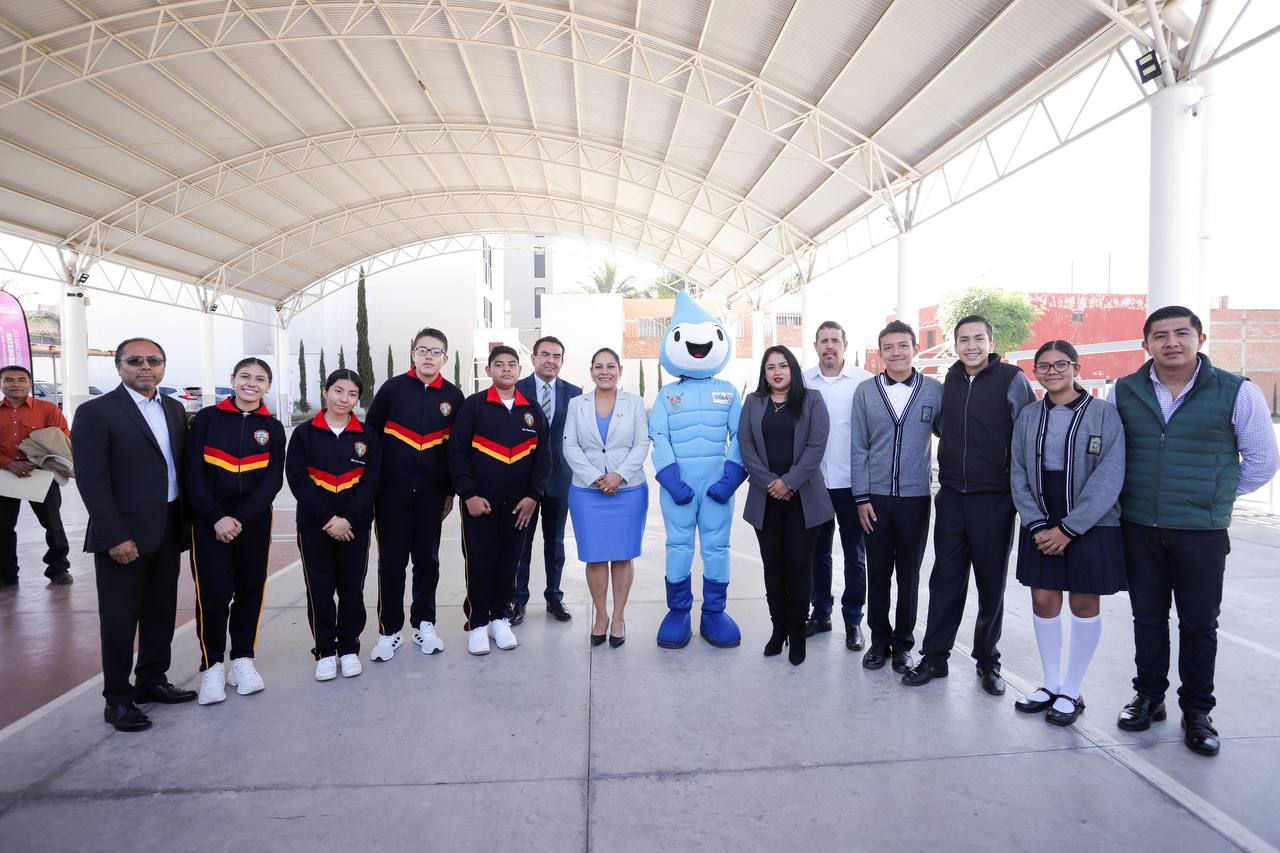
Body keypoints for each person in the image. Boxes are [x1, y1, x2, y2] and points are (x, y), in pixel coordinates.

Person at [1111, 306, 1279, 756]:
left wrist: (1215, 498)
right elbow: (1109, 456)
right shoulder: (1122, 392)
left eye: (1181, 333)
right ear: (1145, 343)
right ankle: (1148, 697)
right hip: (1139, 527)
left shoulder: (1237, 391)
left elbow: (1263, 460)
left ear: (1200, 339)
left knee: (1199, 624)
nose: (1171, 342)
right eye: (1159, 335)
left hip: (1200, 533)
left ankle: (1198, 710)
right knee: (1147, 618)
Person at [903, 315, 1035, 694]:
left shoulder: (1012, 380)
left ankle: (987, 660)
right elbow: (943, 428)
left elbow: (1025, 434)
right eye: (963, 339)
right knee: (945, 580)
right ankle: (935, 657)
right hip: (951, 498)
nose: (971, 346)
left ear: (991, 342)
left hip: (994, 500)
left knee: (990, 584)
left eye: (978, 338)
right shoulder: (950, 382)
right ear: (955, 345)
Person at [72, 338, 195, 732]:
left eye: (154, 360)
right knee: (120, 620)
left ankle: (151, 681)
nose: (145, 367)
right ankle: (118, 699)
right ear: (119, 366)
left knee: (161, 613)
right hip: (124, 536)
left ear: (163, 365)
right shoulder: (96, 412)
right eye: (135, 360)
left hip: (168, 529)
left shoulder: (174, 408)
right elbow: (92, 480)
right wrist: (114, 536)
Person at [1011, 341, 1127, 726]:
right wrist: (1040, 524)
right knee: (1044, 600)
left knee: (1082, 602)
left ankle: (1071, 690)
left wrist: (1071, 528)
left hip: (1090, 523)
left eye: (1061, 365)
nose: (1053, 372)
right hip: (1042, 521)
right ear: (1036, 373)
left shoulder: (1104, 414)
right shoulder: (1028, 416)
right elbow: (1018, 474)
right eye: (1044, 367)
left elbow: (1109, 477)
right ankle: (1050, 683)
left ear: (1076, 367)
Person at [184, 358, 286, 705]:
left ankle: (242, 659)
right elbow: (192, 474)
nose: (251, 383)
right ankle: (211, 666)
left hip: (252, 521)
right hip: (209, 522)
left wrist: (241, 517)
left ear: (268, 386)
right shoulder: (207, 420)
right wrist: (216, 516)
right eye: (245, 377)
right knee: (212, 595)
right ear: (232, 380)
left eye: (260, 379)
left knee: (249, 591)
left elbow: (273, 480)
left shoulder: (272, 428)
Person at [363, 327, 465, 661]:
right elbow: (371, 440)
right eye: (422, 350)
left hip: (431, 495)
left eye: (436, 351)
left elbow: (456, 450)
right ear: (412, 354)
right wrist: (374, 486)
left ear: (445, 358)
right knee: (391, 563)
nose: (428, 356)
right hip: (390, 493)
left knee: (427, 561)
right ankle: (389, 631)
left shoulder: (453, 396)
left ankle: (424, 624)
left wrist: (450, 491)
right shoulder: (392, 389)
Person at [851, 322, 943, 675]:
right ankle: (878, 641)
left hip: (916, 498)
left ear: (915, 348)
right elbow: (857, 446)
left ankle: (903, 644)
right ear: (880, 352)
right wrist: (860, 497)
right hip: (873, 499)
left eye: (903, 346)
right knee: (878, 573)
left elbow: (951, 433)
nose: (896, 353)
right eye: (888, 347)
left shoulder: (935, 391)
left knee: (909, 575)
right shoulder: (865, 392)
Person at [449, 347, 551, 655]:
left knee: (510, 562)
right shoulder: (474, 406)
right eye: (498, 364)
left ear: (520, 371)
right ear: (489, 370)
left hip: (519, 507)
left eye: (511, 364)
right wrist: (468, 494)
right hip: (480, 504)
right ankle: (478, 623)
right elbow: (456, 453)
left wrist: (533, 496)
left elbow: (543, 459)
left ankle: (499, 618)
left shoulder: (531, 409)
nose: (505, 369)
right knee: (480, 563)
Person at [738, 346, 833, 666]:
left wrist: (789, 482)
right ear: (764, 373)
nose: (777, 372)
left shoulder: (812, 400)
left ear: (793, 368)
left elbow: (816, 446)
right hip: (765, 499)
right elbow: (746, 446)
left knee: (798, 566)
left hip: (803, 500)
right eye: (770, 367)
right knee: (772, 566)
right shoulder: (753, 403)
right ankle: (778, 630)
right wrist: (771, 482)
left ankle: (797, 631)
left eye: (783, 365)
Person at [285, 369, 381, 682]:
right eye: (338, 391)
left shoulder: (366, 436)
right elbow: (299, 481)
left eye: (352, 394)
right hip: (316, 526)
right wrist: (329, 520)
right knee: (320, 589)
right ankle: (325, 650)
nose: (344, 399)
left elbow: (370, 483)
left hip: (355, 527)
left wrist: (349, 519)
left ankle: (350, 647)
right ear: (325, 392)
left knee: (352, 588)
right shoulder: (304, 434)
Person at [562, 347, 649, 648]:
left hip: (628, 489)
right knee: (595, 555)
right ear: (590, 372)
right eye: (598, 366)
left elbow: (641, 445)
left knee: (623, 554)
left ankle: (620, 616)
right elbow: (570, 446)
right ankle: (601, 615)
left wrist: (618, 475)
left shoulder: (635, 403)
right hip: (588, 491)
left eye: (610, 366)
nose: (604, 371)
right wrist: (596, 478)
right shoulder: (577, 404)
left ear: (620, 370)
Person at [801, 321, 871, 648]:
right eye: (823, 341)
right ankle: (821, 613)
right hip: (815, 484)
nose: (829, 346)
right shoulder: (803, 382)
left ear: (845, 344)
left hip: (853, 485)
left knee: (855, 556)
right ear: (816, 346)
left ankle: (854, 620)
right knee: (818, 554)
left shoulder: (863, 383)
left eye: (835, 341)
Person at [512, 336, 582, 624]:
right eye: (545, 355)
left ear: (562, 361)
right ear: (534, 358)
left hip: (559, 480)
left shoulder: (575, 393)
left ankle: (554, 596)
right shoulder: (517, 388)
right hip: (522, 481)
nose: (550, 360)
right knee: (521, 543)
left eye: (556, 356)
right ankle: (517, 599)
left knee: (555, 542)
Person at [0, 364, 72, 587]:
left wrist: (36, 459)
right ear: (1, 384)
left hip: (41, 474)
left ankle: (58, 569)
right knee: (2, 528)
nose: (15, 384)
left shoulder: (48, 409)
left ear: (30, 384)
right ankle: (6, 574)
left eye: (21, 380)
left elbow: (62, 439)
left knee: (53, 525)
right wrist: (8, 463)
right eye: (9, 380)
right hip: (4, 474)